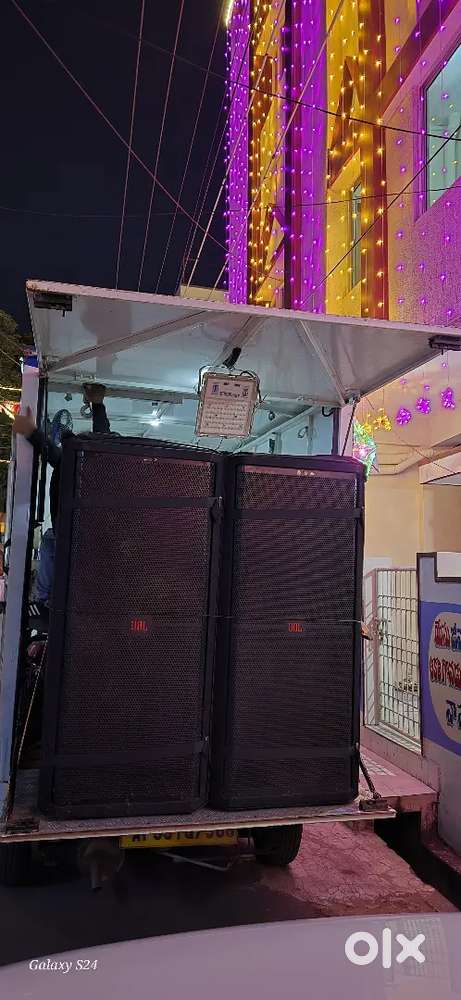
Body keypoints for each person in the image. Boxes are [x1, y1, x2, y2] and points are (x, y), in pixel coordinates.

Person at [13, 384, 110, 609]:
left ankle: (44, 598)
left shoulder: (68, 462)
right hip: (82, 535)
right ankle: (46, 598)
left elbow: (47, 446)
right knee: (51, 544)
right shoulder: (89, 465)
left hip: (72, 534)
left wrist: (27, 428)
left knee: (50, 544)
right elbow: (101, 439)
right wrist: (97, 405)